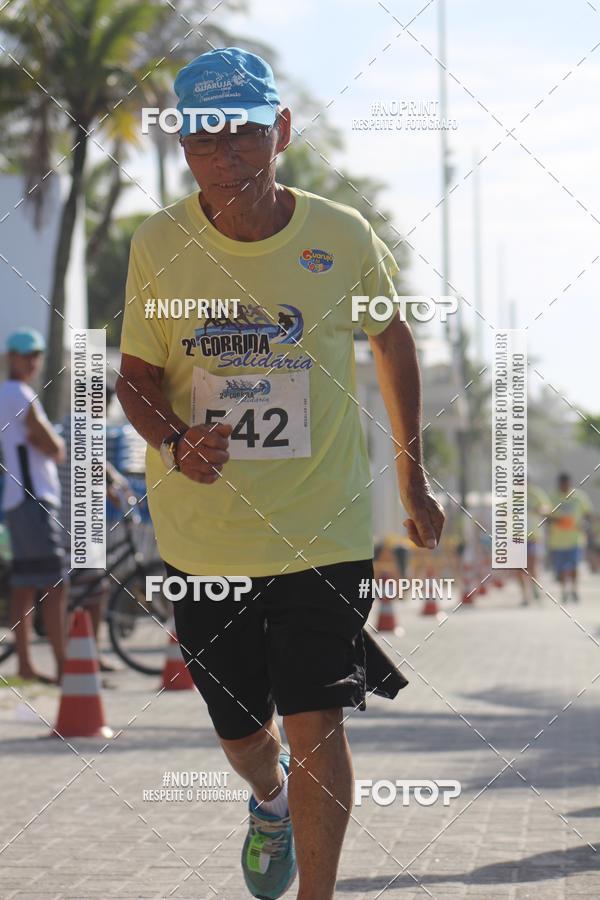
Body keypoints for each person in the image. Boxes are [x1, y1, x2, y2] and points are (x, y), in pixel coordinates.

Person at [117, 47, 444, 900]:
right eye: (204, 139)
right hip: (205, 539)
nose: (227, 157)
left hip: (321, 528)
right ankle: (268, 799)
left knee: (317, 720)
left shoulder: (340, 234)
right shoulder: (160, 244)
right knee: (240, 732)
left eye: (245, 134)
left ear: (283, 131)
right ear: (182, 147)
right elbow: (136, 376)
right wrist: (176, 442)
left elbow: (391, 337)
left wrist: (411, 476)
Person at [0, 328, 67, 683]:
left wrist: (49, 444)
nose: (33, 361)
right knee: (56, 584)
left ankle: (26, 664)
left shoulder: (9, 393)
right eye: (26, 354)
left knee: (25, 585)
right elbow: (54, 446)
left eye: (36, 355)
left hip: (20, 498)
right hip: (33, 499)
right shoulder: (19, 393)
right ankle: (65, 667)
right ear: (11, 357)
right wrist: (53, 446)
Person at [56, 384, 129, 672]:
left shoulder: (68, 426)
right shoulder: (83, 429)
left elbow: (101, 466)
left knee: (83, 591)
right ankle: (86, 658)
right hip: (75, 525)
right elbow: (95, 469)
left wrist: (115, 481)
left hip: (69, 522)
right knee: (91, 592)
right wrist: (115, 491)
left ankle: (83, 657)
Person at [547, 472, 592, 604]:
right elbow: (546, 516)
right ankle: (564, 591)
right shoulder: (552, 497)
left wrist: (586, 524)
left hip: (575, 539)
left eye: (566, 484)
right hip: (557, 541)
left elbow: (588, 514)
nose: (564, 486)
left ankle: (574, 590)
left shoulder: (579, 497)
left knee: (574, 567)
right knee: (561, 569)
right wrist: (557, 521)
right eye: (561, 484)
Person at [517, 481, 550, 606]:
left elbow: (547, 508)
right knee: (519, 568)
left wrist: (538, 509)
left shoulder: (535, 494)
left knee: (532, 565)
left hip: (533, 537)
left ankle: (534, 587)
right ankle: (525, 595)